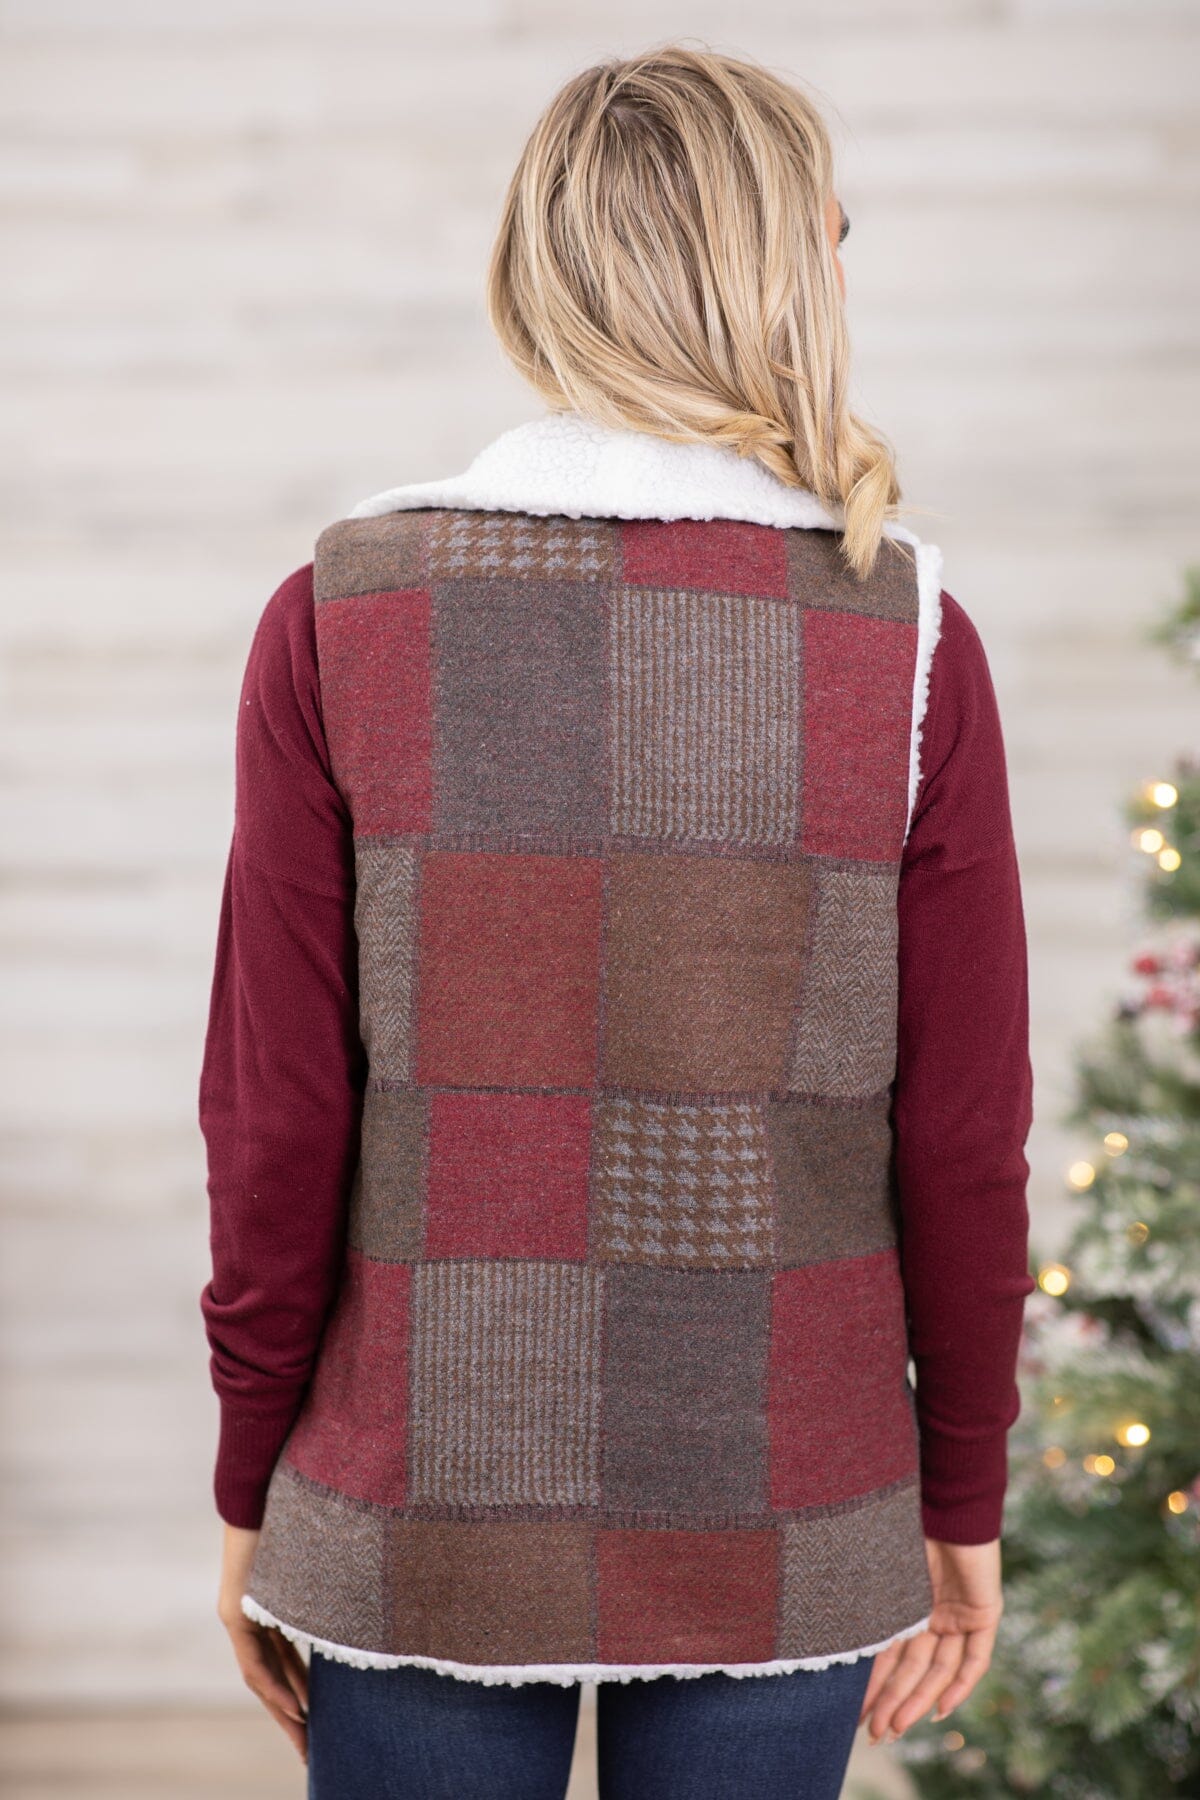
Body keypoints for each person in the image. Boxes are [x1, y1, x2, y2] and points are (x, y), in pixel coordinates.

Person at [198, 43, 1036, 1800]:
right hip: (788, 1487)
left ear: (543, 265)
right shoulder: (906, 635)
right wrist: (962, 1492)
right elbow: (962, 1136)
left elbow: (276, 1115)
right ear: (785, 272)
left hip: (419, 1485)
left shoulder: (342, 607)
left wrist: (250, 1472)